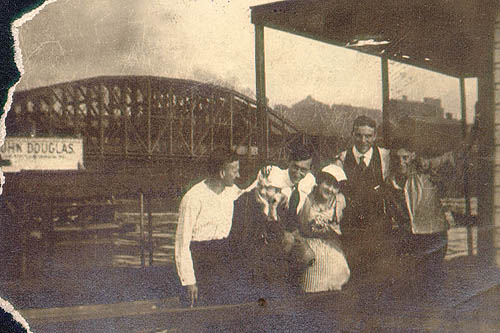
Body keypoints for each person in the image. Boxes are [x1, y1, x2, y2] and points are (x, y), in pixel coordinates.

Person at [174, 147, 242, 306]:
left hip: (224, 258)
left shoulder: (232, 192)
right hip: (201, 259)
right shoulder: (193, 198)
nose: (238, 175)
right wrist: (189, 281)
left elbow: (254, 191)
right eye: (235, 171)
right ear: (222, 173)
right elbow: (181, 243)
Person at [384, 141, 449, 292]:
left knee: (431, 281)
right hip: (411, 236)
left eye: (405, 157)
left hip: (432, 234)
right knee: (412, 283)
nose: (401, 162)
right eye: (397, 158)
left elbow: (446, 161)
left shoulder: (424, 175)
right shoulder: (391, 181)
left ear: (413, 156)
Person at [333, 115, 392, 281]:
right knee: (356, 274)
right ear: (352, 134)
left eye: (368, 136)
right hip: (352, 228)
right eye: (359, 135)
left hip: (378, 226)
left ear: (374, 136)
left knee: (379, 275)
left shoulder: (385, 157)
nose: (363, 141)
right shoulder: (342, 159)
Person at [229, 170, 292, 301]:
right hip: (249, 267)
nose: (262, 192)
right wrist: (264, 212)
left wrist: (272, 212)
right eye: (260, 186)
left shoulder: (280, 206)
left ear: (278, 191)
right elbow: (244, 241)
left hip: (270, 268)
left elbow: (278, 242)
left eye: (268, 188)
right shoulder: (245, 202)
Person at [298, 164, 350, 293]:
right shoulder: (307, 199)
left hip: (331, 246)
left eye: (335, 187)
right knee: (313, 279)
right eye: (327, 184)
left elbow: (340, 229)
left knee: (339, 274)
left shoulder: (339, 201)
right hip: (309, 246)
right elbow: (299, 227)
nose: (331, 189)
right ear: (320, 182)